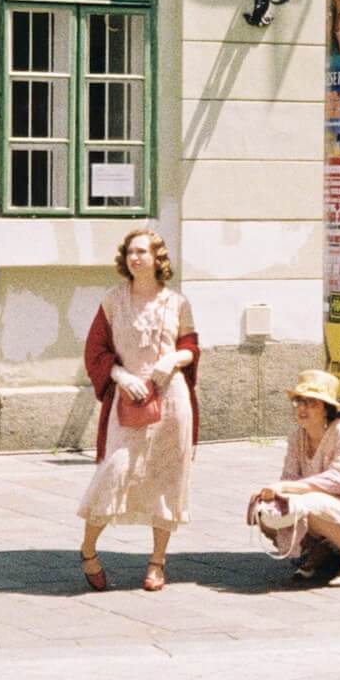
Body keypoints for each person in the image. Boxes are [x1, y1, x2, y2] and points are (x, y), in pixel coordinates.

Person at [77, 229, 200, 593]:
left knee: (167, 477)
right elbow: (94, 350)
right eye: (131, 252)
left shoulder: (177, 302)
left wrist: (174, 359)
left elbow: (191, 345)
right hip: (128, 399)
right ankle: (87, 551)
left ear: (157, 258)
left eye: (143, 252)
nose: (135, 258)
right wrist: (119, 374)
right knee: (114, 472)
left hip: (171, 401)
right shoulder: (113, 300)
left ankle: (157, 562)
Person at [248, 369, 340, 588]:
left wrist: (286, 487)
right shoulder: (297, 437)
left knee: (311, 502)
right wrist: (274, 492)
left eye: (311, 402)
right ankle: (318, 553)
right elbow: (289, 478)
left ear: (326, 409)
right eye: (299, 402)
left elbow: (338, 480)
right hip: (324, 513)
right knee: (267, 508)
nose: (302, 408)